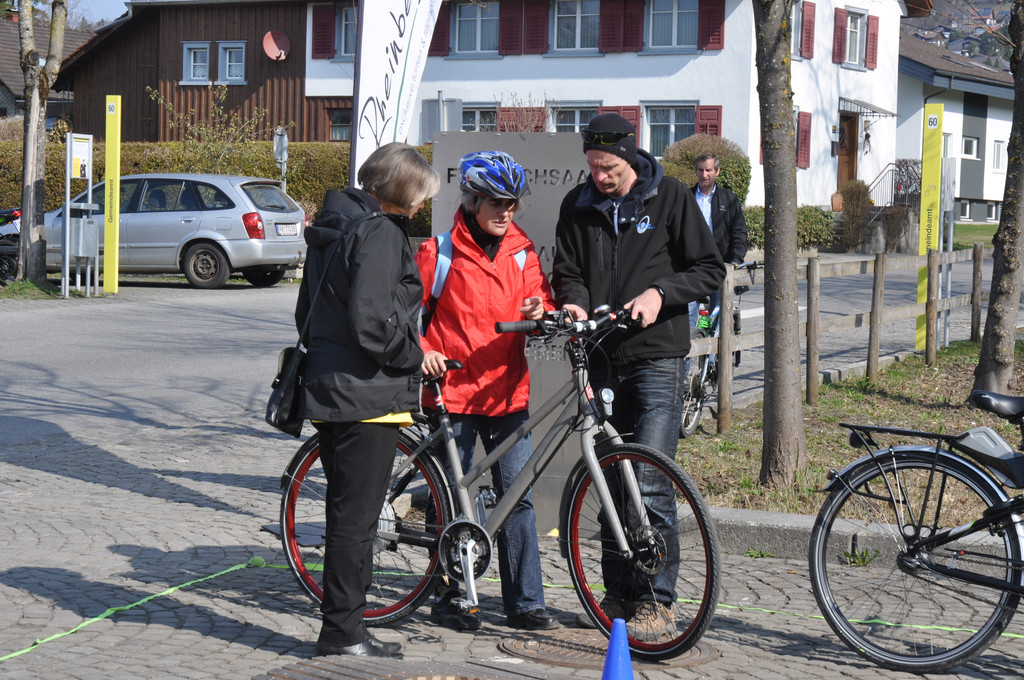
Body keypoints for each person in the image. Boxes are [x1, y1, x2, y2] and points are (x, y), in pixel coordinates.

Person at [551, 113, 724, 638]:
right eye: (593, 167)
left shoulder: (670, 198)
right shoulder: (577, 205)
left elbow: (708, 269)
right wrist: (574, 302)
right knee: (610, 481)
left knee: (649, 479)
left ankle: (657, 599)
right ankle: (617, 594)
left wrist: (660, 294)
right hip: (602, 358)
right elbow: (567, 271)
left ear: (630, 157)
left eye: (609, 167)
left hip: (657, 358)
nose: (600, 176)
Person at [295, 142, 440, 659]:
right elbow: (372, 321)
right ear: (401, 191)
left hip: (331, 390)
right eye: (420, 196)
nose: (420, 207)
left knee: (346, 516)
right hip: (368, 396)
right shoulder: (378, 232)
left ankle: (343, 627)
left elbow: (306, 312)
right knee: (357, 523)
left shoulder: (334, 225)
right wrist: (413, 356)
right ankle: (343, 632)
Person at [415, 150, 560, 632]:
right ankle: (448, 594)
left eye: (512, 203)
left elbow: (542, 306)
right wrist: (423, 351)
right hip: (454, 392)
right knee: (446, 501)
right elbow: (402, 314)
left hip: (507, 393)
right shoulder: (439, 252)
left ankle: (526, 602)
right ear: (472, 200)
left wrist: (540, 312)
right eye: (497, 202)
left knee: (517, 497)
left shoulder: (522, 250)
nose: (506, 211)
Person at [689, 152, 748, 329]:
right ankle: (689, 347)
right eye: (700, 170)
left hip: (720, 266)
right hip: (690, 267)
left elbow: (739, 232)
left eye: (708, 170)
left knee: (716, 321)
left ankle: (713, 347)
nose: (704, 174)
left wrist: (736, 259)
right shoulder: (686, 197)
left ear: (717, 172)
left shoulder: (728, 199)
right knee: (687, 319)